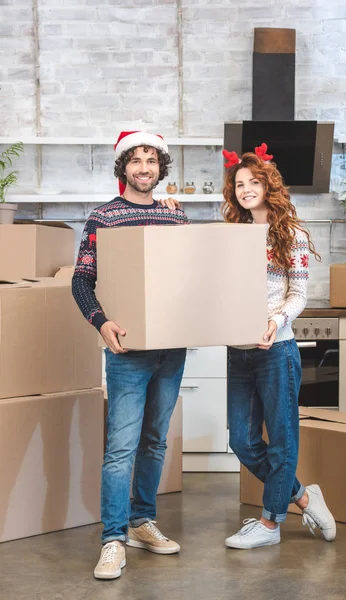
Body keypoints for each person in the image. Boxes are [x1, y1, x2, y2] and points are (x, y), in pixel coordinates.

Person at [72, 131, 189, 579]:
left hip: (171, 348)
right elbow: (82, 282)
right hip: (127, 350)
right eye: (135, 160)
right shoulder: (104, 217)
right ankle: (113, 539)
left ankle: (142, 522)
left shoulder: (176, 218)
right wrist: (102, 323)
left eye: (151, 160)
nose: (144, 168)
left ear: (160, 168)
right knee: (121, 448)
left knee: (155, 441)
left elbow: (187, 278)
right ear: (124, 168)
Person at [221, 144, 336, 550]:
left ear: (270, 187)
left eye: (254, 182)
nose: (246, 189)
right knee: (242, 440)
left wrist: (274, 322)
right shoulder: (231, 237)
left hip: (277, 349)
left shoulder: (292, 235)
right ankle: (304, 495)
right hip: (238, 350)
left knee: (283, 439)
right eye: (239, 184)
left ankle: (270, 525)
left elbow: (298, 294)